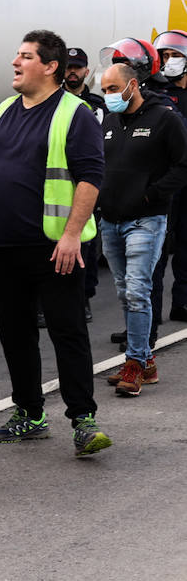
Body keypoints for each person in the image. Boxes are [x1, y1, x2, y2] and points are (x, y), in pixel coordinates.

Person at [0, 30, 111, 457]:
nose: (16, 62)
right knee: (15, 333)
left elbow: (90, 178)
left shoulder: (75, 113)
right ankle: (29, 414)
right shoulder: (2, 111)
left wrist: (71, 236)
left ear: (50, 67)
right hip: (5, 247)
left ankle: (84, 421)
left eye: (26, 57)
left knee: (68, 333)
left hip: (54, 248)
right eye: (17, 55)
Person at [96, 58, 187, 396]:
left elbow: (183, 164)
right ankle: (146, 362)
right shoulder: (108, 120)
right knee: (125, 291)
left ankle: (134, 361)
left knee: (137, 289)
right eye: (104, 90)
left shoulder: (164, 118)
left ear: (133, 86)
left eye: (113, 89)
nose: (108, 95)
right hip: (111, 221)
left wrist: (152, 195)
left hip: (146, 220)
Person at [61, 47, 105, 326]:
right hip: (61, 188)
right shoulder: (53, 102)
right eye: (68, 67)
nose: (72, 72)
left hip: (89, 185)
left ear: (86, 72)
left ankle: (84, 298)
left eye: (77, 67)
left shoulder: (97, 106)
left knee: (87, 248)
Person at [146, 30, 187, 329]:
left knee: (186, 246)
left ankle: (182, 302)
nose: (170, 62)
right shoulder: (155, 94)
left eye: (176, 56)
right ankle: (147, 317)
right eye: (166, 56)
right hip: (166, 182)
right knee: (155, 252)